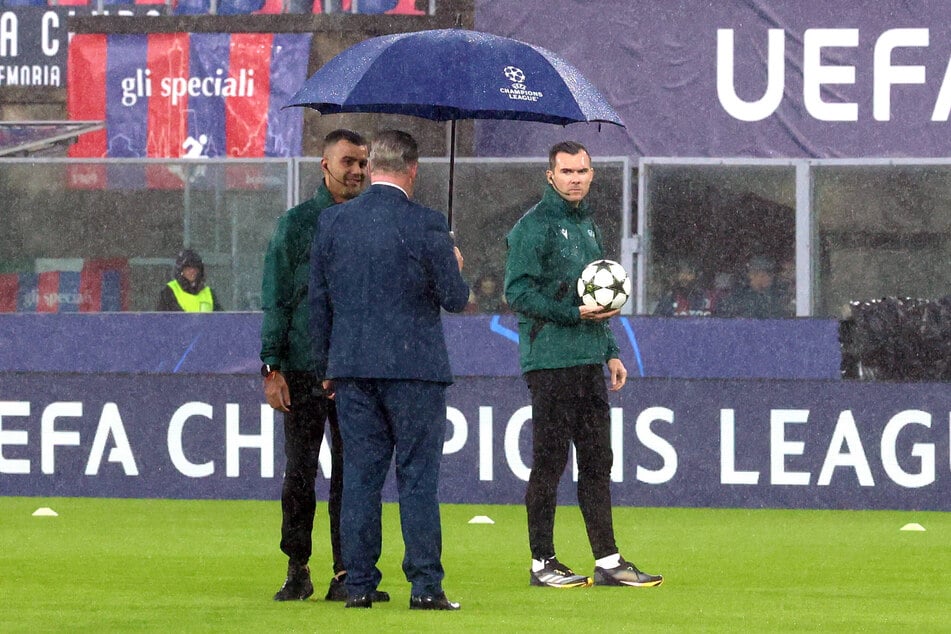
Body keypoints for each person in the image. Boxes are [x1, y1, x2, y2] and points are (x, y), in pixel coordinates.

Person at [309, 130, 469, 610]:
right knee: (418, 478)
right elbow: (455, 299)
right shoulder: (427, 224)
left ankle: (358, 583)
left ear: (372, 164)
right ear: (413, 168)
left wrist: (326, 367)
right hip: (415, 370)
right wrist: (454, 263)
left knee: (360, 477)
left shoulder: (334, 222)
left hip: (353, 368)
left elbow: (318, 302)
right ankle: (425, 586)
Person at [504, 141, 664, 590]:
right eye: (567, 171)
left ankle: (608, 560)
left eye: (583, 170)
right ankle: (542, 563)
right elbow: (516, 293)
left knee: (598, 460)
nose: (575, 178)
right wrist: (571, 314)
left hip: (588, 359)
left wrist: (610, 349)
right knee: (550, 463)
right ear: (550, 175)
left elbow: (599, 299)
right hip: (551, 360)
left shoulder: (588, 225)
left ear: (592, 174)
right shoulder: (532, 227)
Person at [260, 129, 381, 603]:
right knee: (300, 475)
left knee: (353, 477)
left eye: (363, 162)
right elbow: (276, 299)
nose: (357, 170)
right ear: (324, 165)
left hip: (355, 369)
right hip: (306, 369)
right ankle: (298, 567)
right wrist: (271, 368)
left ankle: (347, 571)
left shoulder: (375, 223)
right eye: (349, 161)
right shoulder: (295, 226)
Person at [715, 255, 789, 318]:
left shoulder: (778, 294)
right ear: (752, 275)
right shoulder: (739, 296)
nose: (770, 278)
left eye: (770, 274)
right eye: (764, 275)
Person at [156, 249, 222, 312]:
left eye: (195, 267)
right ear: (181, 270)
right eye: (188, 268)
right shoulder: (170, 291)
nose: (192, 271)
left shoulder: (209, 293)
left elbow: (221, 320)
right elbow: (164, 320)